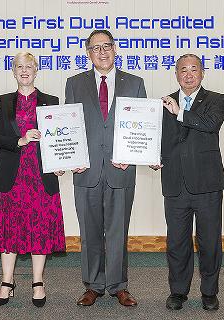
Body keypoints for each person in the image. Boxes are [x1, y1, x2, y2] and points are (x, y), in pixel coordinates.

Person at [65, 30, 146, 307]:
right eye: (95, 48)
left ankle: (118, 285)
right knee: (89, 232)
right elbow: (69, 127)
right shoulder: (74, 83)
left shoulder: (135, 83)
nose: (102, 52)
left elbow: (142, 127)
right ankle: (93, 285)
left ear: (115, 49)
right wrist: (69, 157)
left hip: (120, 169)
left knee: (117, 231)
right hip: (85, 170)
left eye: (107, 46)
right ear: (88, 53)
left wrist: (132, 155)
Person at [0, 52, 66, 308]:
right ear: (13, 71)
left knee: (39, 228)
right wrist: (20, 140)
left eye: (29, 66)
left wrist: (60, 162)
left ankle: (38, 281)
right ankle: (7, 282)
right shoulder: (5, 101)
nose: (24, 70)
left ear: (36, 70)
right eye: (19, 66)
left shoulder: (51, 101)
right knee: (9, 228)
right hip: (12, 175)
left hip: (41, 176)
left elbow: (60, 137)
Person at [151, 53, 224, 311]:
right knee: (177, 242)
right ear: (176, 74)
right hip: (174, 184)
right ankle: (178, 292)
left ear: (202, 73)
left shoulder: (216, 100)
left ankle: (209, 292)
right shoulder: (163, 103)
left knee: (209, 241)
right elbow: (157, 139)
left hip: (207, 184)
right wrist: (153, 157)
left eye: (194, 69)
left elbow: (210, 124)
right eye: (183, 70)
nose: (188, 74)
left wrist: (180, 111)